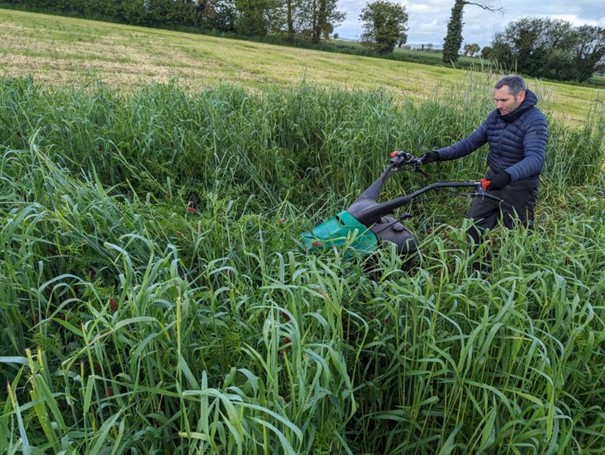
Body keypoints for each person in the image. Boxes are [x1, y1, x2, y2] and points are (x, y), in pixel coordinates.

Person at [419, 74, 549, 269]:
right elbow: (469, 143)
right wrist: (437, 155)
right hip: (493, 182)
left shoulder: (535, 121)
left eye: (503, 100)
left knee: (518, 239)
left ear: (520, 96)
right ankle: (477, 271)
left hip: (519, 189)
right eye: (496, 100)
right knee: (473, 227)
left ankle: (520, 277)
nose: (498, 105)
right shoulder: (495, 117)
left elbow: (535, 159)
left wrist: (508, 176)